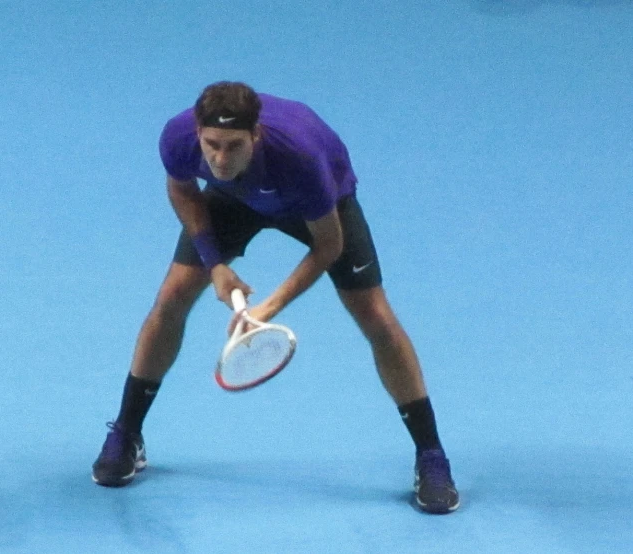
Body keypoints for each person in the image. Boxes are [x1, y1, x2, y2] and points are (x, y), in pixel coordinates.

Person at [92, 81, 459, 514]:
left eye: (233, 146)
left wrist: (270, 305)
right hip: (234, 201)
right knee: (172, 294)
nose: (220, 158)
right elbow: (184, 190)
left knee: (374, 315)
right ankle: (127, 432)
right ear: (197, 132)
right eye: (212, 145)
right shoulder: (178, 138)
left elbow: (328, 246)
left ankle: (431, 456)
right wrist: (216, 264)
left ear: (257, 136)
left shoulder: (300, 159)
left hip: (318, 206)